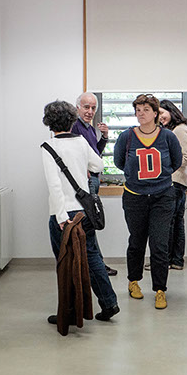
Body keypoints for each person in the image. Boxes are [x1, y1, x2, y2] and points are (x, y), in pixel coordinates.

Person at [41, 100, 120, 324]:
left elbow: (54, 185)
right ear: (72, 120)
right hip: (84, 212)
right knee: (92, 257)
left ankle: (69, 311)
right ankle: (109, 303)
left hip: (63, 214)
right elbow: (99, 166)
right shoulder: (81, 142)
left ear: (49, 123)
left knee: (65, 263)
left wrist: (60, 217)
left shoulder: (48, 147)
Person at [114, 94, 182, 310]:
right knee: (136, 241)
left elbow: (176, 162)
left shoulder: (168, 137)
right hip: (134, 196)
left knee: (159, 244)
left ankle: (160, 290)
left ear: (155, 113)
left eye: (145, 109)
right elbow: (119, 162)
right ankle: (133, 281)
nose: (141, 113)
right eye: (138, 110)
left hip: (163, 196)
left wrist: (158, 181)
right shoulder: (126, 137)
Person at [70, 92, 119, 277]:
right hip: (87, 181)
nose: (90, 111)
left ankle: (96, 264)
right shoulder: (74, 127)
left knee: (91, 223)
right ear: (78, 108)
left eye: (93, 108)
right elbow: (72, 155)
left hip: (94, 179)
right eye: (86, 107)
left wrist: (104, 137)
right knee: (91, 224)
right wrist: (83, 169)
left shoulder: (89, 128)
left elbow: (95, 153)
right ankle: (97, 265)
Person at [158, 100, 187, 270]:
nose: (160, 117)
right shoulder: (173, 130)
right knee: (176, 222)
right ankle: (176, 260)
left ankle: (166, 260)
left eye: (162, 113)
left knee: (170, 222)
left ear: (171, 111)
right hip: (177, 181)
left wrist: (165, 165)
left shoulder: (179, 130)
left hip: (176, 182)